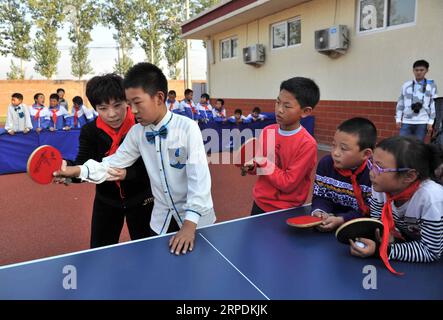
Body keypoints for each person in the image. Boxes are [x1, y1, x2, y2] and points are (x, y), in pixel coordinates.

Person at [54, 63, 216, 255]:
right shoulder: (137, 133)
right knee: (154, 268)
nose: (133, 110)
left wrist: (190, 225)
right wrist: (75, 171)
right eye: (130, 104)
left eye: (136, 103)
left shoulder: (188, 128)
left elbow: (199, 181)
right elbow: (112, 163)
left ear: (159, 98)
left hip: (195, 221)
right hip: (160, 220)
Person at [55, 74, 154, 248]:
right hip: (107, 202)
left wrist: (128, 174)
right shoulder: (89, 131)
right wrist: (68, 172)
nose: (112, 114)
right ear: (95, 108)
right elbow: (84, 165)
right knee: (99, 252)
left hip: (143, 200)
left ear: (127, 102)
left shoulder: (142, 126)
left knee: (150, 251)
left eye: (117, 105)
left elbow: (155, 167)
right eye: (103, 108)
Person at [349, 136, 443, 273]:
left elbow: (431, 251)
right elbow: (378, 224)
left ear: (409, 176)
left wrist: (382, 250)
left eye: (379, 168)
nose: (371, 173)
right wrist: (382, 237)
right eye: (372, 164)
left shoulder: (431, 199)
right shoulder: (381, 188)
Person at [242, 77, 319, 214]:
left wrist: (263, 162)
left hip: (286, 210)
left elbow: (288, 184)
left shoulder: (307, 144)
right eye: (278, 102)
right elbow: (261, 169)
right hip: (260, 203)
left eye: (287, 106)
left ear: (305, 111)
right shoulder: (267, 131)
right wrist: (252, 166)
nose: (279, 110)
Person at [311, 118, 376, 232]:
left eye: (343, 148)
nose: (335, 153)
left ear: (366, 154)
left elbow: (371, 211)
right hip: (331, 218)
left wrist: (342, 220)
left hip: (358, 228)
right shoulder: (326, 164)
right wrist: (320, 212)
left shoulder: (375, 175)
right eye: (334, 145)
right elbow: (321, 196)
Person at [396, 60, 437, 141]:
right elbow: (401, 102)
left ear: (427, 70)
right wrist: (398, 118)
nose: (419, 72)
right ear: (413, 70)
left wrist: (431, 121)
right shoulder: (406, 85)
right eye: (416, 70)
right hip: (406, 121)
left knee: (418, 146)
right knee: (402, 144)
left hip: (422, 121)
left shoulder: (431, 85)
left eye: (422, 70)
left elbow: (433, 104)